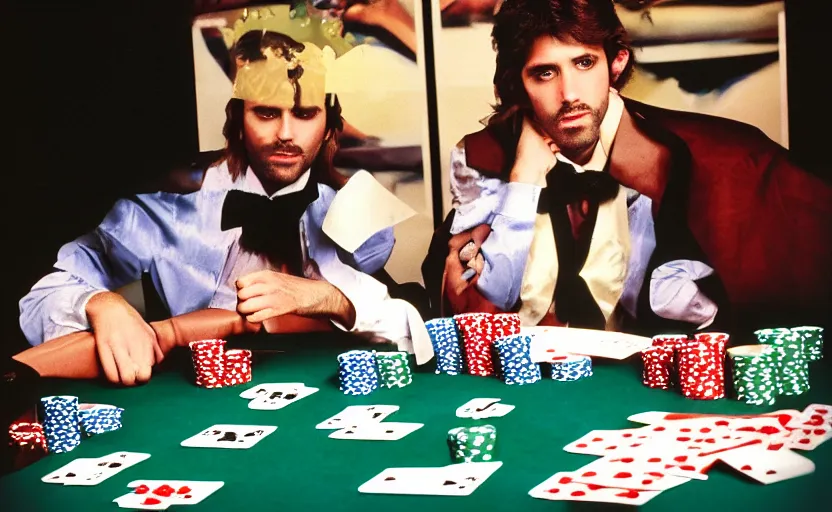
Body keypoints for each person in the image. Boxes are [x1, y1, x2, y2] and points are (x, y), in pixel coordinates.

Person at [18, 9, 431, 386]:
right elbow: (39, 301)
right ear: (237, 119)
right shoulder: (168, 207)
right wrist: (100, 303)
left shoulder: (351, 207)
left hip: (327, 400)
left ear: (328, 126)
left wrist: (324, 297)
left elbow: (410, 330)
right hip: (187, 405)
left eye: (304, 114)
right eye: (267, 113)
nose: (286, 134)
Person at [422, 0, 832, 339]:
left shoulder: (689, 157)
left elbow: (749, 297)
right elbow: (472, 314)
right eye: (545, 73)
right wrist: (523, 181)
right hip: (524, 393)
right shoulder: (481, 158)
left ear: (615, 64)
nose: (569, 95)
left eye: (584, 63)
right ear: (517, 84)